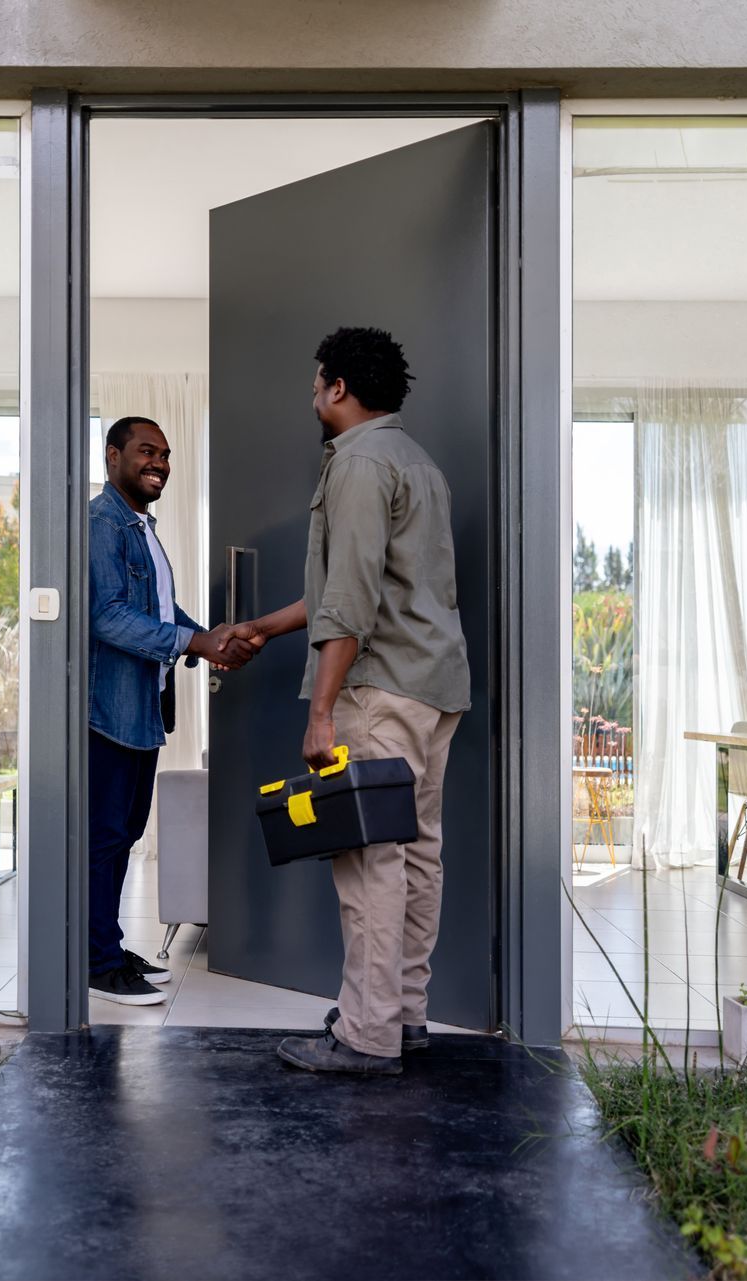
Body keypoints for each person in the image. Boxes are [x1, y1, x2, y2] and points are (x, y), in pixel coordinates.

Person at [233, 327, 470, 1075]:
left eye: (315, 383)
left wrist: (321, 710)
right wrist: (267, 629)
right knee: (418, 851)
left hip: (382, 687)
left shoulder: (358, 463)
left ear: (339, 387)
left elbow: (356, 598)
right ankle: (402, 1013)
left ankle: (367, 1034)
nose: (311, 395)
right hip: (434, 685)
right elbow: (363, 584)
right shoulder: (415, 462)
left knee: (370, 856)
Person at [89, 415, 256, 1006]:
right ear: (112, 456)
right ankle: (97, 963)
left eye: (164, 453)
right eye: (145, 452)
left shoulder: (140, 528)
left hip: (141, 711)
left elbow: (159, 609)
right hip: (107, 711)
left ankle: (103, 945)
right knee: (106, 836)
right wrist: (195, 643)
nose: (158, 462)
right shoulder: (101, 524)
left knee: (125, 833)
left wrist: (208, 637)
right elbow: (105, 615)